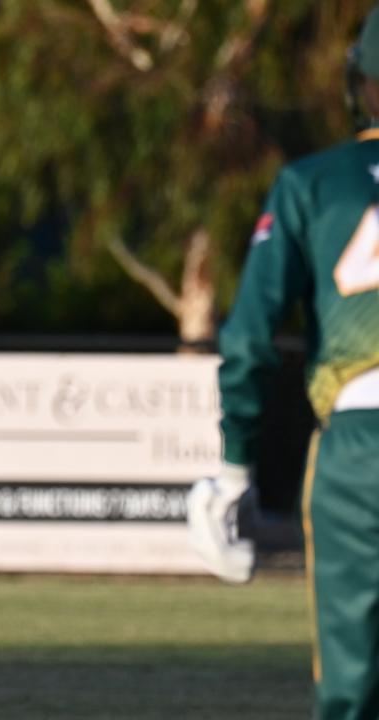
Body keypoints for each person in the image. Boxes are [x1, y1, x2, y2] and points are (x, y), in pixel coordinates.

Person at [187, 7, 379, 719]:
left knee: (353, 689)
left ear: (361, 82)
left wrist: (235, 463)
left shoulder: (313, 183)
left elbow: (248, 337)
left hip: (362, 448)